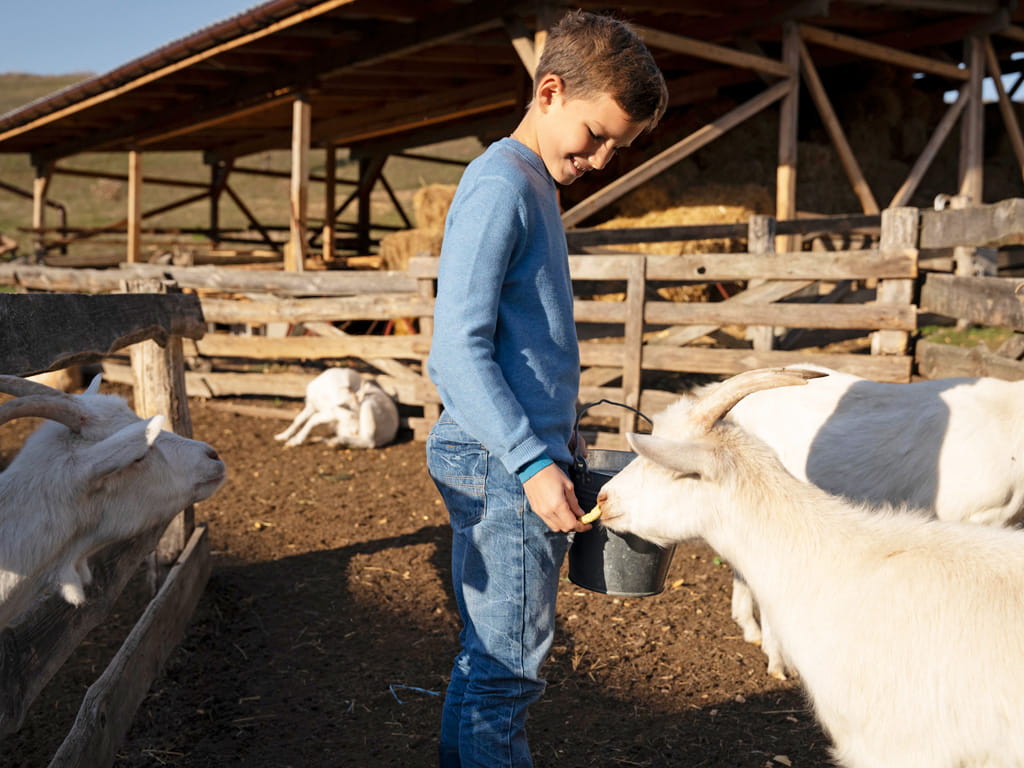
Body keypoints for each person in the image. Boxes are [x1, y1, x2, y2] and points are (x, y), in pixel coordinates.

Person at [425, 9, 667, 767]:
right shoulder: (502, 184)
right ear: (550, 90)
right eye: (596, 136)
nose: (599, 159)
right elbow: (454, 352)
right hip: (503, 464)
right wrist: (533, 462)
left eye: (616, 149)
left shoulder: (532, 181)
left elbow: (523, 338)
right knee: (509, 668)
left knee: (488, 652)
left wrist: (559, 430)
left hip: (512, 448)